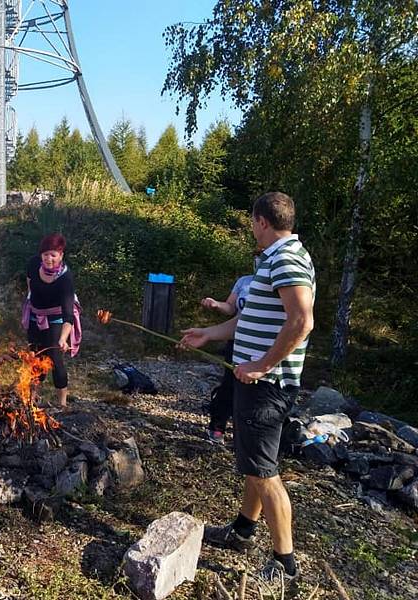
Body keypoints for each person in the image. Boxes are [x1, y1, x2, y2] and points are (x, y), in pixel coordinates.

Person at [180, 192, 315, 583]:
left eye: (251, 223)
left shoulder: (287, 259)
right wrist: (209, 332)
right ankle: (242, 531)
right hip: (257, 381)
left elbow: (302, 321)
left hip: (267, 385)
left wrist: (262, 365)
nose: (251, 230)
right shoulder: (275, 259)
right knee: (258, 464)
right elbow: (248, 320)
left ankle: (285, 564)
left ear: (261, 221)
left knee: (263, 473)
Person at [201, 253, 260, 444]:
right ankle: (217, 426)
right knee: (230, 383)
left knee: (258, 390)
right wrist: (216, 305)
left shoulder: (277, 282)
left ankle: (247, 433)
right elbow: (230, 307)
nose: (259, 260)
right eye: (257, 257)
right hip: (236, 339)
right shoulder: (244, 282)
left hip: (262, 345)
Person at [21, 233, 82, 409]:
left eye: (53, 255)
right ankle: (32, 399)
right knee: (34, 356)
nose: (49, 259)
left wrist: (63, 339)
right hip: (35, 314)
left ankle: (62, 404)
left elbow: (68, 316)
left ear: (61, 256)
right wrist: (32, 299)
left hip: (57, 318)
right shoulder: (33, 263)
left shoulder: (65, 279)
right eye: (45, 254)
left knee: (55, 358)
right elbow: (30, 281)